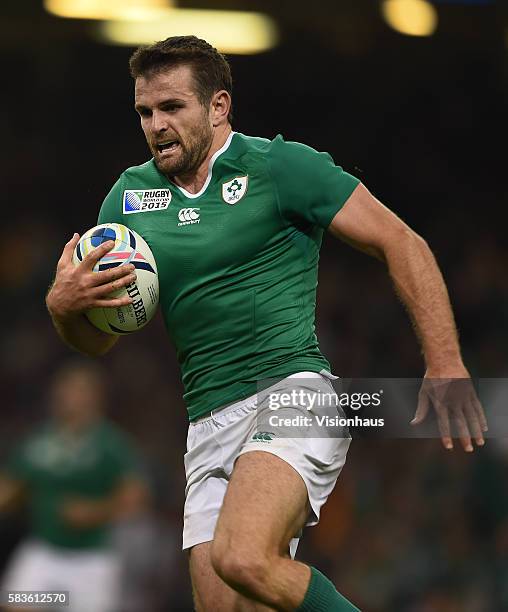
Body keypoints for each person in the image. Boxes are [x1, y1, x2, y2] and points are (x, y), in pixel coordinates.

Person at [45, 36, 488, 611]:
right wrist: (64, 310)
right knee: (227, 601)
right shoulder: (125, 203)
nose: (156, 125)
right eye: (145, 112)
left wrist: (445, 361)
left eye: (172, 107)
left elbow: (401, 242)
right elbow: (96, 343)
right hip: (207, 421)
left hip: (293, 393)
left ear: (218, 106)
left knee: (242, 556)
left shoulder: (280, 168)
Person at [0, 360, 147, 612]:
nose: (70, 397)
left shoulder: (111, 444)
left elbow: (136, 500)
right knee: (17, 604)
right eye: (66, 389)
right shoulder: (39, 440)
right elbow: (12, 486)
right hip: (43, 552)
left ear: (96, 397)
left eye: (80, 390)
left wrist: (95, 511)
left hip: (91, 560)